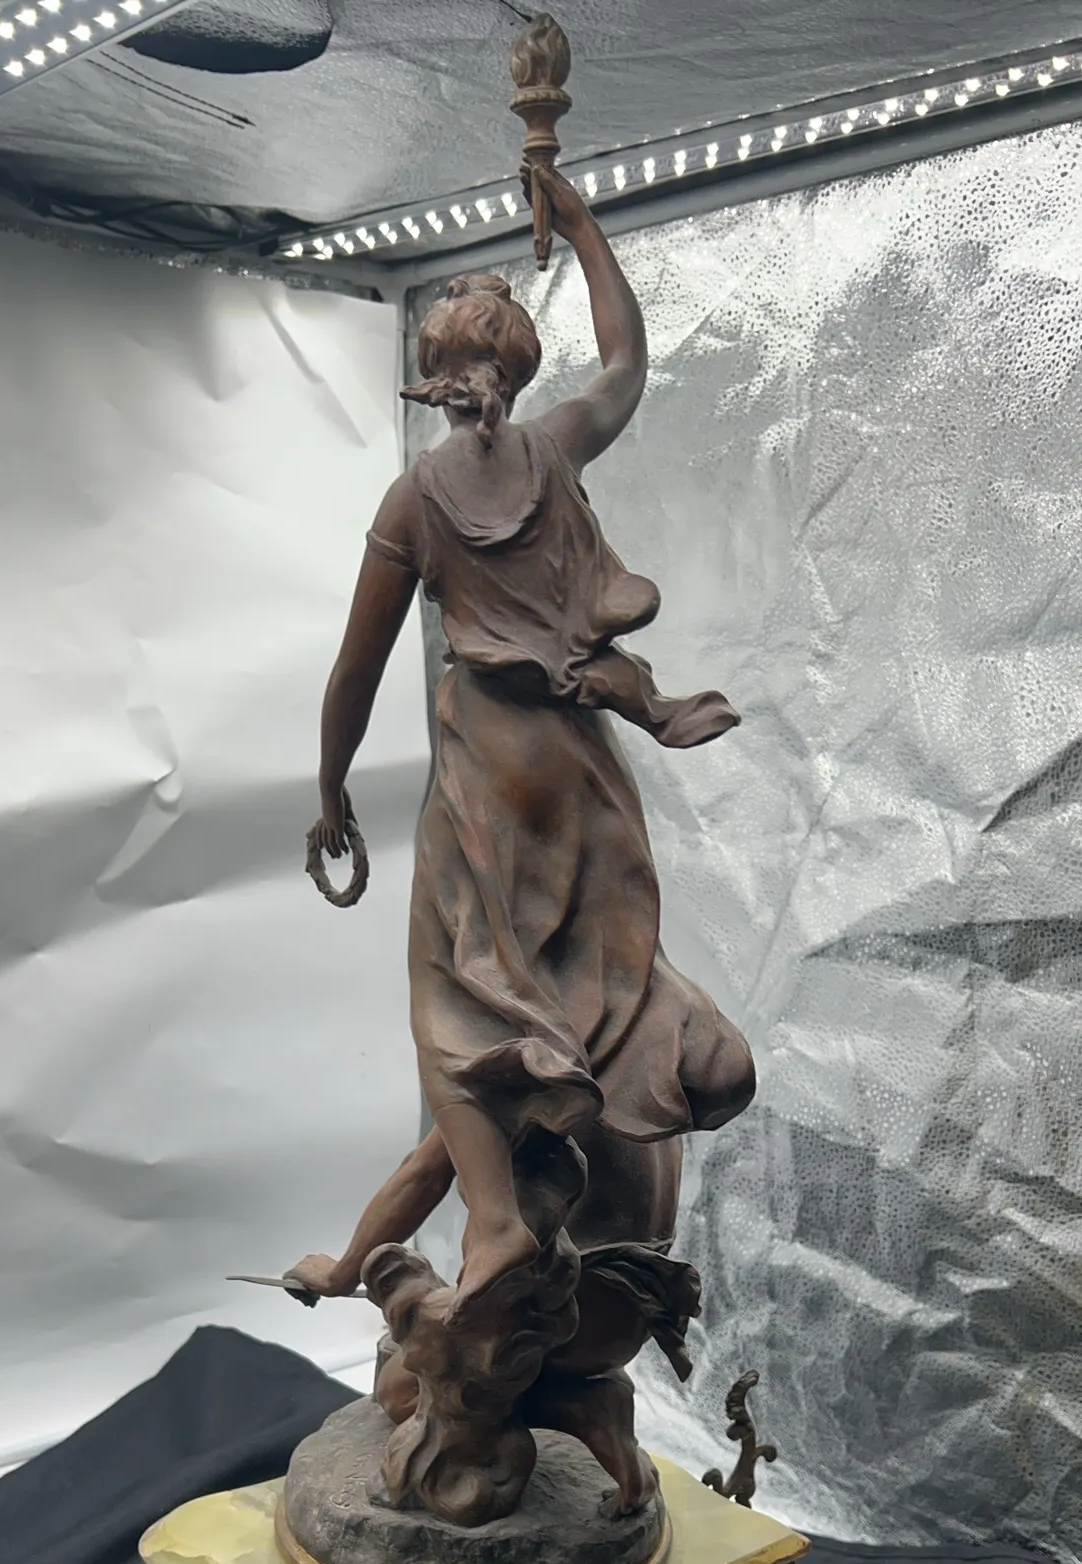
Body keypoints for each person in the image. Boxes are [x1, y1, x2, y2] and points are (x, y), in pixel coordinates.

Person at [293, 165, 754, 1313]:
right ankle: (616, 1116)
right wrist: (582, 225)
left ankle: (498, 1219)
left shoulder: (413, 501)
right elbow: (626, 362)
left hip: (489, 776)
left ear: (436, 376)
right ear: (515, 368)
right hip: (583, 764)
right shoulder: (555, 446)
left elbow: (354, 669)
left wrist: (331, 789)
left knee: (452, 1004)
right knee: (601, 967)